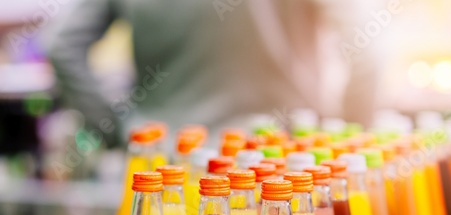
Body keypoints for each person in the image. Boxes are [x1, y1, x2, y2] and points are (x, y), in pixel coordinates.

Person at [44, 0, 380, 148]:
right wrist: (343, 139)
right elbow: (370, 52)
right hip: (282, 169)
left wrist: (116, 132)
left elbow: (61, 45)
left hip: (164, 169)